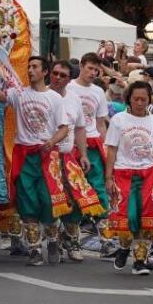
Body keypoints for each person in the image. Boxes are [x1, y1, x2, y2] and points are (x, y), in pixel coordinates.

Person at [0, 56, 69, 266]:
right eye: (29, 66)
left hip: (46, 155)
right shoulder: (18, 93)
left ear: (45, 72)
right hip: (24, 155)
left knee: (48, 201)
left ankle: (52, 240)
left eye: (35, 67)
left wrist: (52, 142)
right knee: (27, 202)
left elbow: (64, 128)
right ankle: (34, 250)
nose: (30, 70)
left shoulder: (55, 98)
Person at [103, 81, 153, 275]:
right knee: (128, 216)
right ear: (128, 100)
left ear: (149, 99)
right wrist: (108, 177)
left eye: (144, 99)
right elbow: (112, 149)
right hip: (124, 173)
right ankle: (124, 247)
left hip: (149, 174)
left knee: (146, 217)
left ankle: (140, 260)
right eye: (135, 99)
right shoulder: (119, 120)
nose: (139, 103)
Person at [48, 60, 105, 261]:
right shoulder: (43, 95)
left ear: (68, 79)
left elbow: (80, 128)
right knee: (52, 200)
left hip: (70, 155)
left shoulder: (73, 98)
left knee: (78, 199)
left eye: (63, 75)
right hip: (48, 158)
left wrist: (83, 154)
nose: (57, 78)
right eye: (55, 73)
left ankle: (71, 240)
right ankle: (52, 242)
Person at [68, 54, 112, 228]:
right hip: (71, 143)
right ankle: (72, 232)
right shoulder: (69, 88)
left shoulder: (98, 91)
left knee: (98, 184)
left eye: (96, 70)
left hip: (93, 142)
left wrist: (107, 148)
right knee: (74, 186)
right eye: (90, 68)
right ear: (81, 66)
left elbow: (101, 123)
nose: (93, 73)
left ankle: (105, 233)